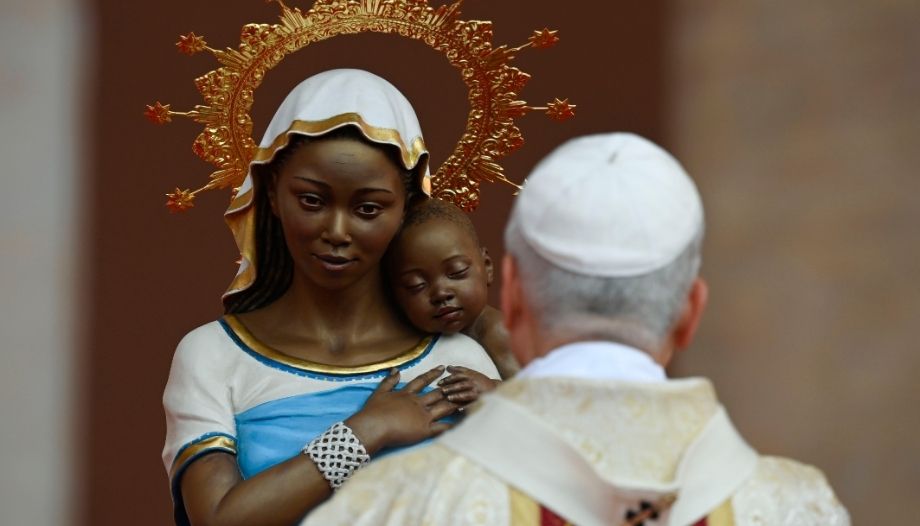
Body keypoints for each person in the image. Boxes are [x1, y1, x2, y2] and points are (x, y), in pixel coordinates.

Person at [302, 133, 851, 526]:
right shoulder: (799, 508)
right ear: (690, 312)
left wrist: (356, 437)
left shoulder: (395, 504)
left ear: (512, 294)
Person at [161, 69, 499, 526]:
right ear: (273, 193)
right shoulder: (215, 356)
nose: (337, 231)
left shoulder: (457, 363)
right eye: (312, 201)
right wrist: (366, 431)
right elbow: (218, 519)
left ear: (405, 208)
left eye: (368, 208)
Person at [387, 197, 520, 380]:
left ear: (487, 267)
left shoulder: (498, 332)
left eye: (457, 272)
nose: (441, 293)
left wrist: (491, 388)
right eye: (416, 285)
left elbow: (535, 393)